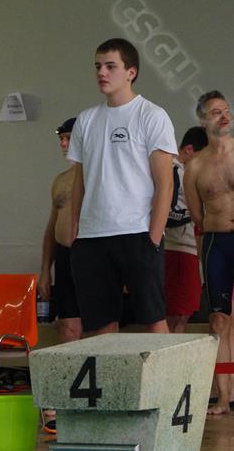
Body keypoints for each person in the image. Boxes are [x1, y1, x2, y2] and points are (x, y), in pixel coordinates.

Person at [68, 38, 177, 336]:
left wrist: (153, 239)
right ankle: (108, 372)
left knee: (153, 318)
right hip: (92, 236)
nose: (101, 73)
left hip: (138, 232)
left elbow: (165, 184)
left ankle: (165, 372)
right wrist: (75, 231)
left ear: (131, 72)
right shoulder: (86, 120)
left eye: (110, 66)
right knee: (100, 324)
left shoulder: (151, 115)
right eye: (98, 66)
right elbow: (79, 182)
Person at [183, 91, 234, 413]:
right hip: (217, 243)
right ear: (202, 119)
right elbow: (197, 215)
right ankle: (224, 396)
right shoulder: (196, 166)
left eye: (226, 110)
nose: (224, 116)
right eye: (216, 112)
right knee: (219, 319)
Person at [39, 117, 82, 343]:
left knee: (100, 322)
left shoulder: (100, 176)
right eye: (61, 139)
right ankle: (73, 368)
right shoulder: (60, 180)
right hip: (65, 255)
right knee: (67, 325)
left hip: (92, 255)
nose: (63, 144)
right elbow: (52, 228)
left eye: (68, 138)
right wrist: (45, 270)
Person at [164, 126, 207, 333]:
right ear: (188, 150)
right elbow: (167, 214)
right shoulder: (174, 171)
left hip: (189, 249)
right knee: (175, 315)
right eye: (202, 156)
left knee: (183, 315)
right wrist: (201, 217)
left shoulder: (187, 174)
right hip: (177, 249)